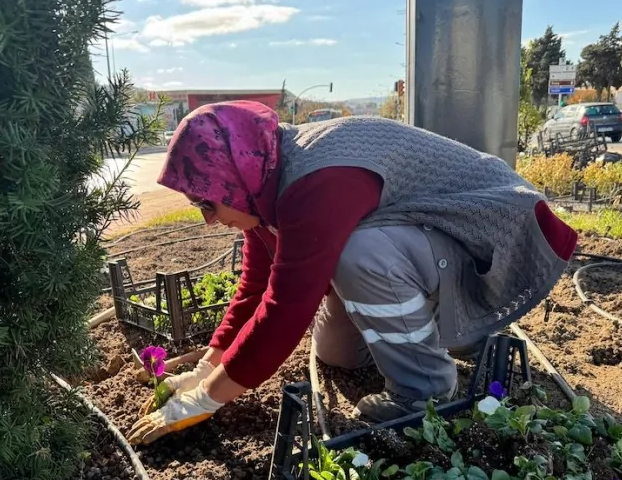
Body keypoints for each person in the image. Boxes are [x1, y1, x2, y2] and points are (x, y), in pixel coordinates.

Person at [125, 101, 577, 446]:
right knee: (336, 352)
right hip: (432, 249)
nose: (208, 218)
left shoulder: (315, 181)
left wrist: (206, 399)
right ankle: (440, 335)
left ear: (232, 178)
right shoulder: (263, 181)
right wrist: (204, 369)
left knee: (359, 253)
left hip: (499, 241)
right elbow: (255, 287)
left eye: (207, 202)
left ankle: (426, 391)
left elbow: (285, 311)